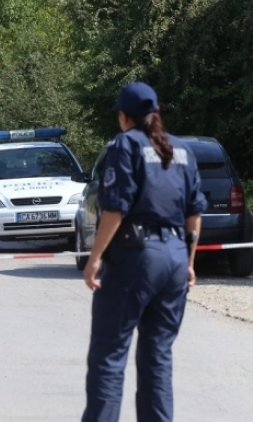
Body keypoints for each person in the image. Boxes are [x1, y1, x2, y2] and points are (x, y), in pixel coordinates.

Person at [80, 82, 207, 422]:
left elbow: (115, 209)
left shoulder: (125, 145)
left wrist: (94, 259)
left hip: (136, 257)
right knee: (158, 357)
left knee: (109, 355)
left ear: (124, 117)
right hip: (175, 257)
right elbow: (194, 214)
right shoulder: (182, 150)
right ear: (156, 114)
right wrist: (189, 264)